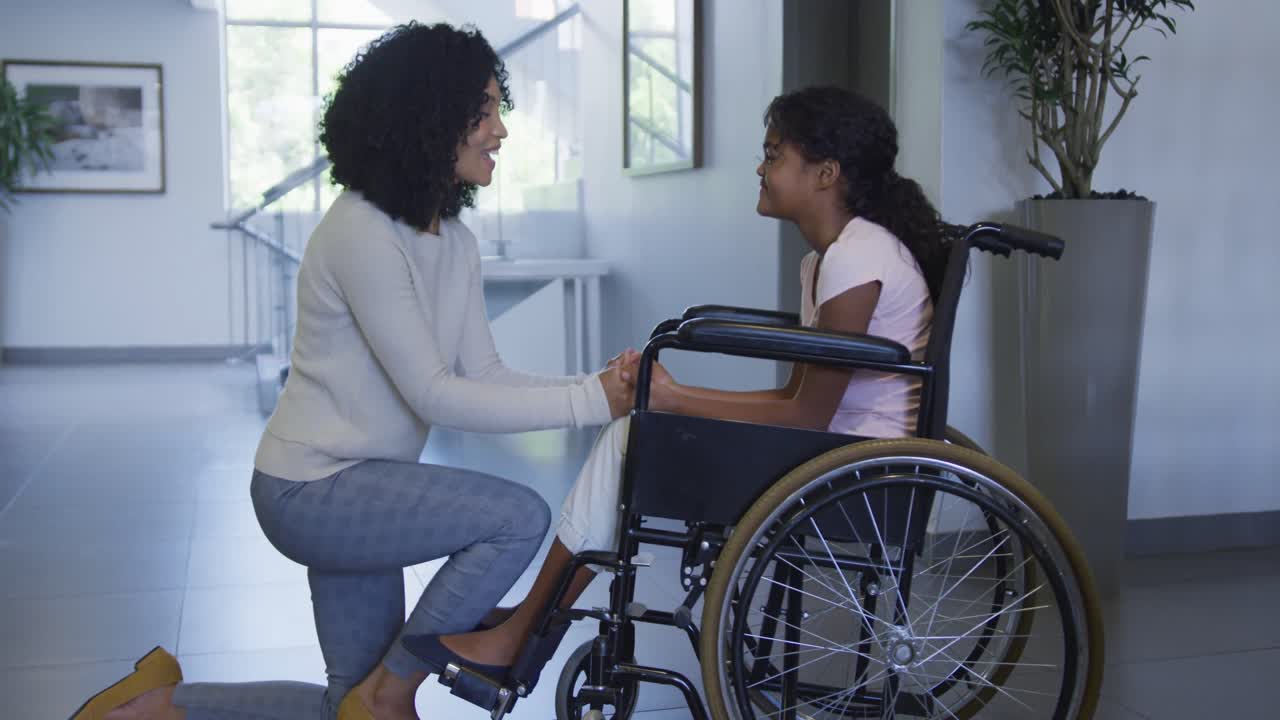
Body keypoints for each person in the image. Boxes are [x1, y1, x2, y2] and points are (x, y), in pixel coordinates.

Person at [70, 22, 633, 720]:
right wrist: (588, 400)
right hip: (312, 490)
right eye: (484, 110)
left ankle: (153, 707)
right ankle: (397, 686)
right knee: (516, 519)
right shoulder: (359, 232)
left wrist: (603, 393)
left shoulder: (452, 241)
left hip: (368, 489)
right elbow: (434, 393)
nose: (500, 129)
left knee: (351, 706)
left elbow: (484, 372)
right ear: (429, 117)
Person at [402, 86, 948, 680]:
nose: (760, 169)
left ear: (825, 172)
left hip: (856, 474)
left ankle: (527, 629)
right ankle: (532, 623)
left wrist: (675, 398)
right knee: (640, 428)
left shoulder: (856, 257)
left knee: (631, 438)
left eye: (773, 154)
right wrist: (670, 400)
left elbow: (806, 416)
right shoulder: (831, 258)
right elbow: (797, 403)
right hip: (835, 458)